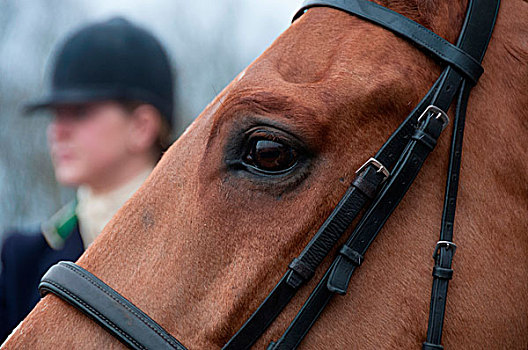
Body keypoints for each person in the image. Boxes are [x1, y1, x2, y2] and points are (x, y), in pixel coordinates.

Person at [0, 17, 175, 341]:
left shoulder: (196, 245)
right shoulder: (22, 259)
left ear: (142, 126)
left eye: (79, 111)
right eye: (55, 114)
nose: (57, 131)